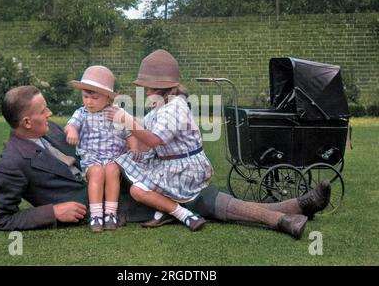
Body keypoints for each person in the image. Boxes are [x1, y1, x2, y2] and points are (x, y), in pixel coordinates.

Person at [107, 49, 331, 239]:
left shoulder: (175, 107)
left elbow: (154, 139)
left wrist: (126, 120)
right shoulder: (159, 107)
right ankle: (298, 206)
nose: (146, 92)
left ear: (163, 87)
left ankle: (282, 221)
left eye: (149, 87)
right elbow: (142, 127)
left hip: (183, 171)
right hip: (169, 168)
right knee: (206, 201)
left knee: (207, 202)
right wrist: (123, 119)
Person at [0, 85, 154, 231]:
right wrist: (53, 212)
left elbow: (86, 142)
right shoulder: (11, 163)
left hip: (117, 174)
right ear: (27, 122)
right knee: (170, 202)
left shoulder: (49, 129)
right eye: (43, 111)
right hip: (110, 206)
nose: (50, 113)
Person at [64, 66, 139, 233]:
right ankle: (96, 215)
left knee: (112, 170)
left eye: (94, 97)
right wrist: (73, 131)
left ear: (107, 99)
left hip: (114, 157)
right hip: (92, 158)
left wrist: (134, 148)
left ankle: (110, 213)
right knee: (97, 172)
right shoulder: (81, 113)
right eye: (85, 96)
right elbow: (70, 125)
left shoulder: (116, 113)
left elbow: (130, 133)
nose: (89, 102)